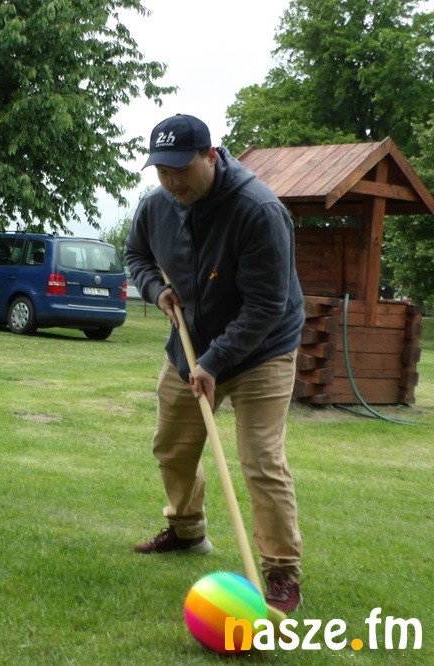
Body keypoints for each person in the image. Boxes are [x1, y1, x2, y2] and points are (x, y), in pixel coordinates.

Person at [124, 114, 305, 613]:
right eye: (163, 171)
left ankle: (281, 572)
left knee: (261, 460)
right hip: (189, 347)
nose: (172, 182)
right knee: (172, 446)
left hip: (262, 350)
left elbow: (267, 305)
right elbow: (136, 255)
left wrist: (215, 361)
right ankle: (187, 530)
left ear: (210, 155)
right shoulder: (156, 205)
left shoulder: (258, 210)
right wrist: (155, 289)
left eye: (181, 169)